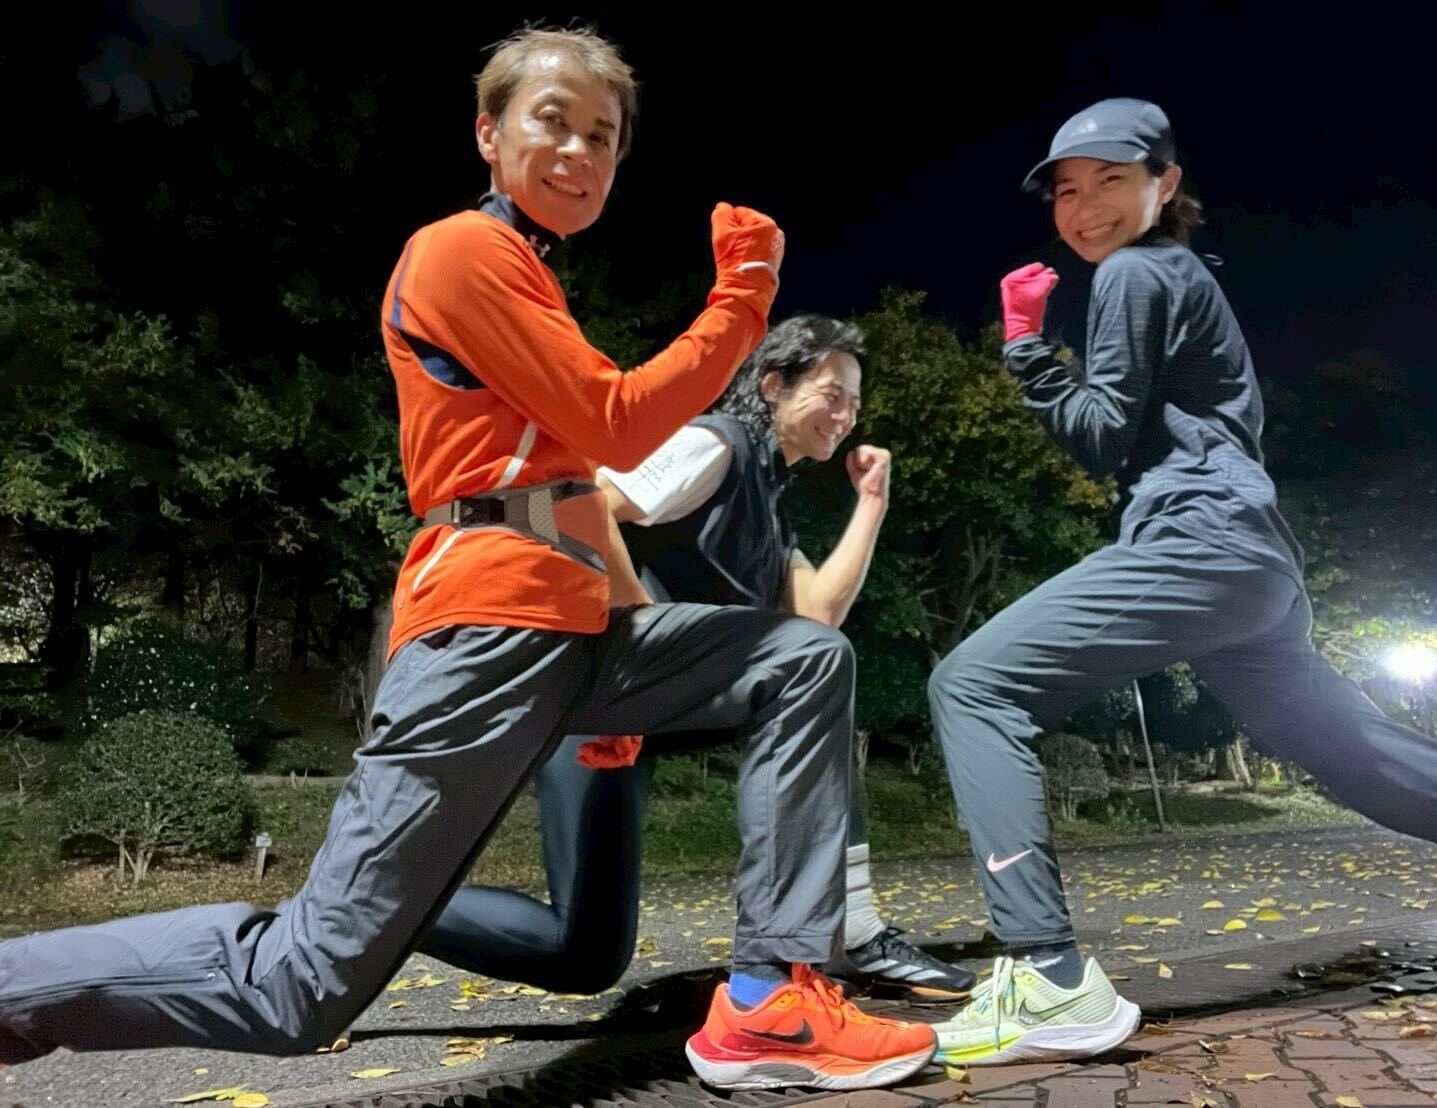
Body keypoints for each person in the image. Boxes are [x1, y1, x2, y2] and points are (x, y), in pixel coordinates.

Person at [0, 26, 937, 1094]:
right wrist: (744, 297)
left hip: (573, 638)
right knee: (298, 988)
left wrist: (626, 672)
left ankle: (769, 999)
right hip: (483, 633)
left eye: (604, 136)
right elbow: (616, 422)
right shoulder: (459, 252)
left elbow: (571, 494)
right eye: (554, 121)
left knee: (800, 658)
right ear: (489, 133)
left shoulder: (530, 280)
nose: (580, 151)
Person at [925, 96, 1437, 1068]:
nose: (1085, 208)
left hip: (1201, 543)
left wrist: (1024, 348)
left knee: (971, 684)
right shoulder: (1178, 277)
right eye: (1066, 191)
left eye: (1110, 181)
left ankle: (1047, 977)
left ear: (1165, 183)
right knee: (1363, 758)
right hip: (1250, 560)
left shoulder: (1135, 271)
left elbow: (1099, 435)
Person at [420, 313, 977, 1006]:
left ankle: (852, 930)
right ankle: (360, 908)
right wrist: (644, 634)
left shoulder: (768, 504)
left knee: (813, 675)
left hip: (657, 705)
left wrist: (871, 502)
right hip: (604, 700)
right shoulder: (716, 444)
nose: (845, 416)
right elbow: (587, 502)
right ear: (772, 386)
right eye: (832, 394)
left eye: (856, 404)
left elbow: (817, 616)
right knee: (582, 953)